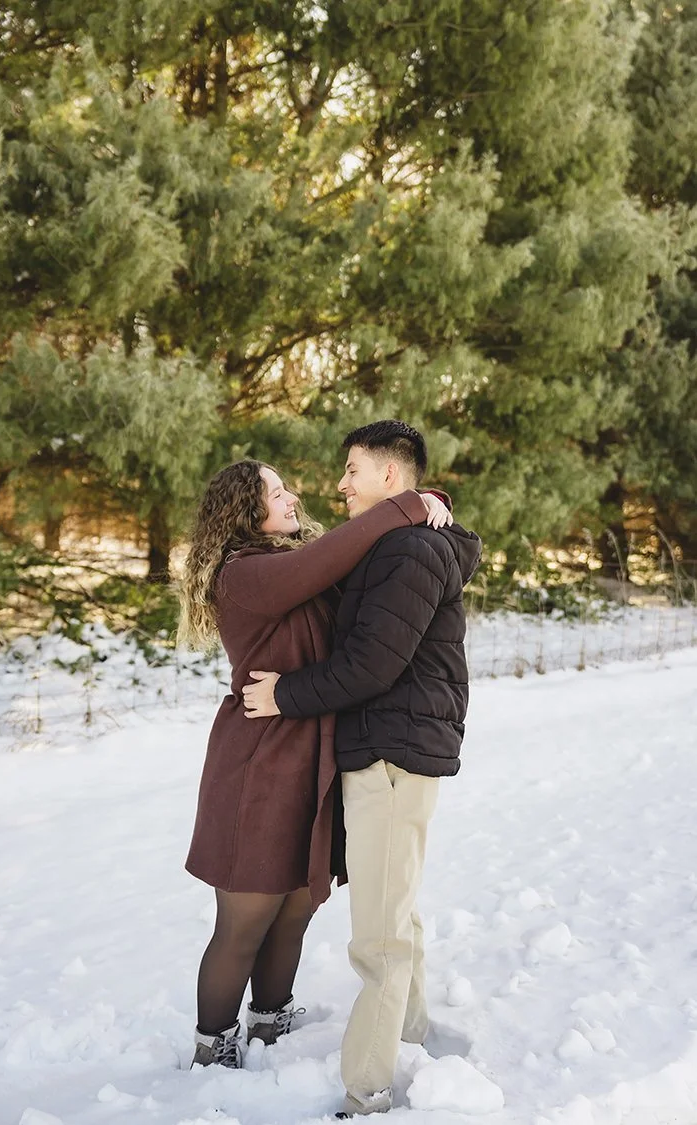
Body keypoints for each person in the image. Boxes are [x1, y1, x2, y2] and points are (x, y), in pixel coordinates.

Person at [178, 457, 450, 1070]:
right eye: (276, 492)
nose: (292, 497)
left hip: (315, 754)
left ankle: (271, 1021)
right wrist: (405, 503)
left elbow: (350, 566)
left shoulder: (289, 565)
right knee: (245, 918)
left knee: (298, 905)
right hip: (259, 761)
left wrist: (421, 506)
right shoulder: (244, 572)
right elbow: (323, 559)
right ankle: (212, 1045)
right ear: (246, 510)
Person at [242, 421, 482, 1117]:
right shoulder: (398, 542)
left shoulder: (408, 551)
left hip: (391, 751)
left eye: (352, 470)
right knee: (395, 907)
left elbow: (371, 665)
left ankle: (366, 1089)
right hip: (396, 747)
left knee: (377, 934)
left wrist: (282, 694)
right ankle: (411, 1029)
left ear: (389, 478)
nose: (339, 483)